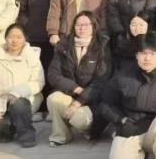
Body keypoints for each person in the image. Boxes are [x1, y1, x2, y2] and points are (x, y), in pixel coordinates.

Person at [46, 11, 111, 146]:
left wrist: (79, 102)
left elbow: (102, 80)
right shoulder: (63, 45)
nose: (82, 28)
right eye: (78, 25)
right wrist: (75, 88)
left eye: (87, 25)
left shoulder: (102, 45)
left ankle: (89, 129)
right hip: (71, 93)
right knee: (53, 99)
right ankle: (61, 135)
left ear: (94, 26)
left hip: (93, 99)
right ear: (73, 27)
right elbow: (53, 74)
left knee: (79, 119)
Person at [0, 24, 44, 147]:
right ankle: (9, 130)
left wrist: (18, 92)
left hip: (26, 98)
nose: (14, 40)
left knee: (19, 104)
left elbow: (38, 82)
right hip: (2, 99)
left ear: (25, 39)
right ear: (5, 38)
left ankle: (27, 134)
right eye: (11, 37)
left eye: (19, 37)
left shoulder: (32, 56)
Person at [19, 0, 58, 120]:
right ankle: (39, 107)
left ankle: (50, 108)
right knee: (36, 72)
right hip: (34, 36)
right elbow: (23, 10)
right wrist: (26, 28)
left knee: (52, 71)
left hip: (53, 37)